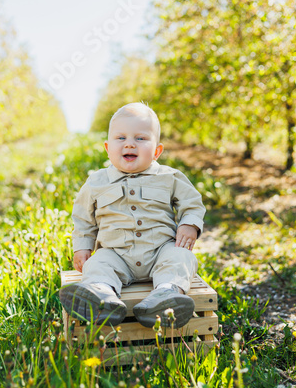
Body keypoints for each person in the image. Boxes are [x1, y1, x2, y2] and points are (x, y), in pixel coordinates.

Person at [59, 103, 205, 328]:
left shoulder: (170, 177)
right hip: (116, 254)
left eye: (140, 138)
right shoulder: (96, 182)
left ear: (157, 151)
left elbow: (192, 204)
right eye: (121, 138)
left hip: (160, 251)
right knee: (98, 264)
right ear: (107, 148)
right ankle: (101, 296)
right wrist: (82, 246)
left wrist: (189, 224)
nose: (129, 143)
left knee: (181, 257)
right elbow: (83, 218)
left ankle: (166, 295)